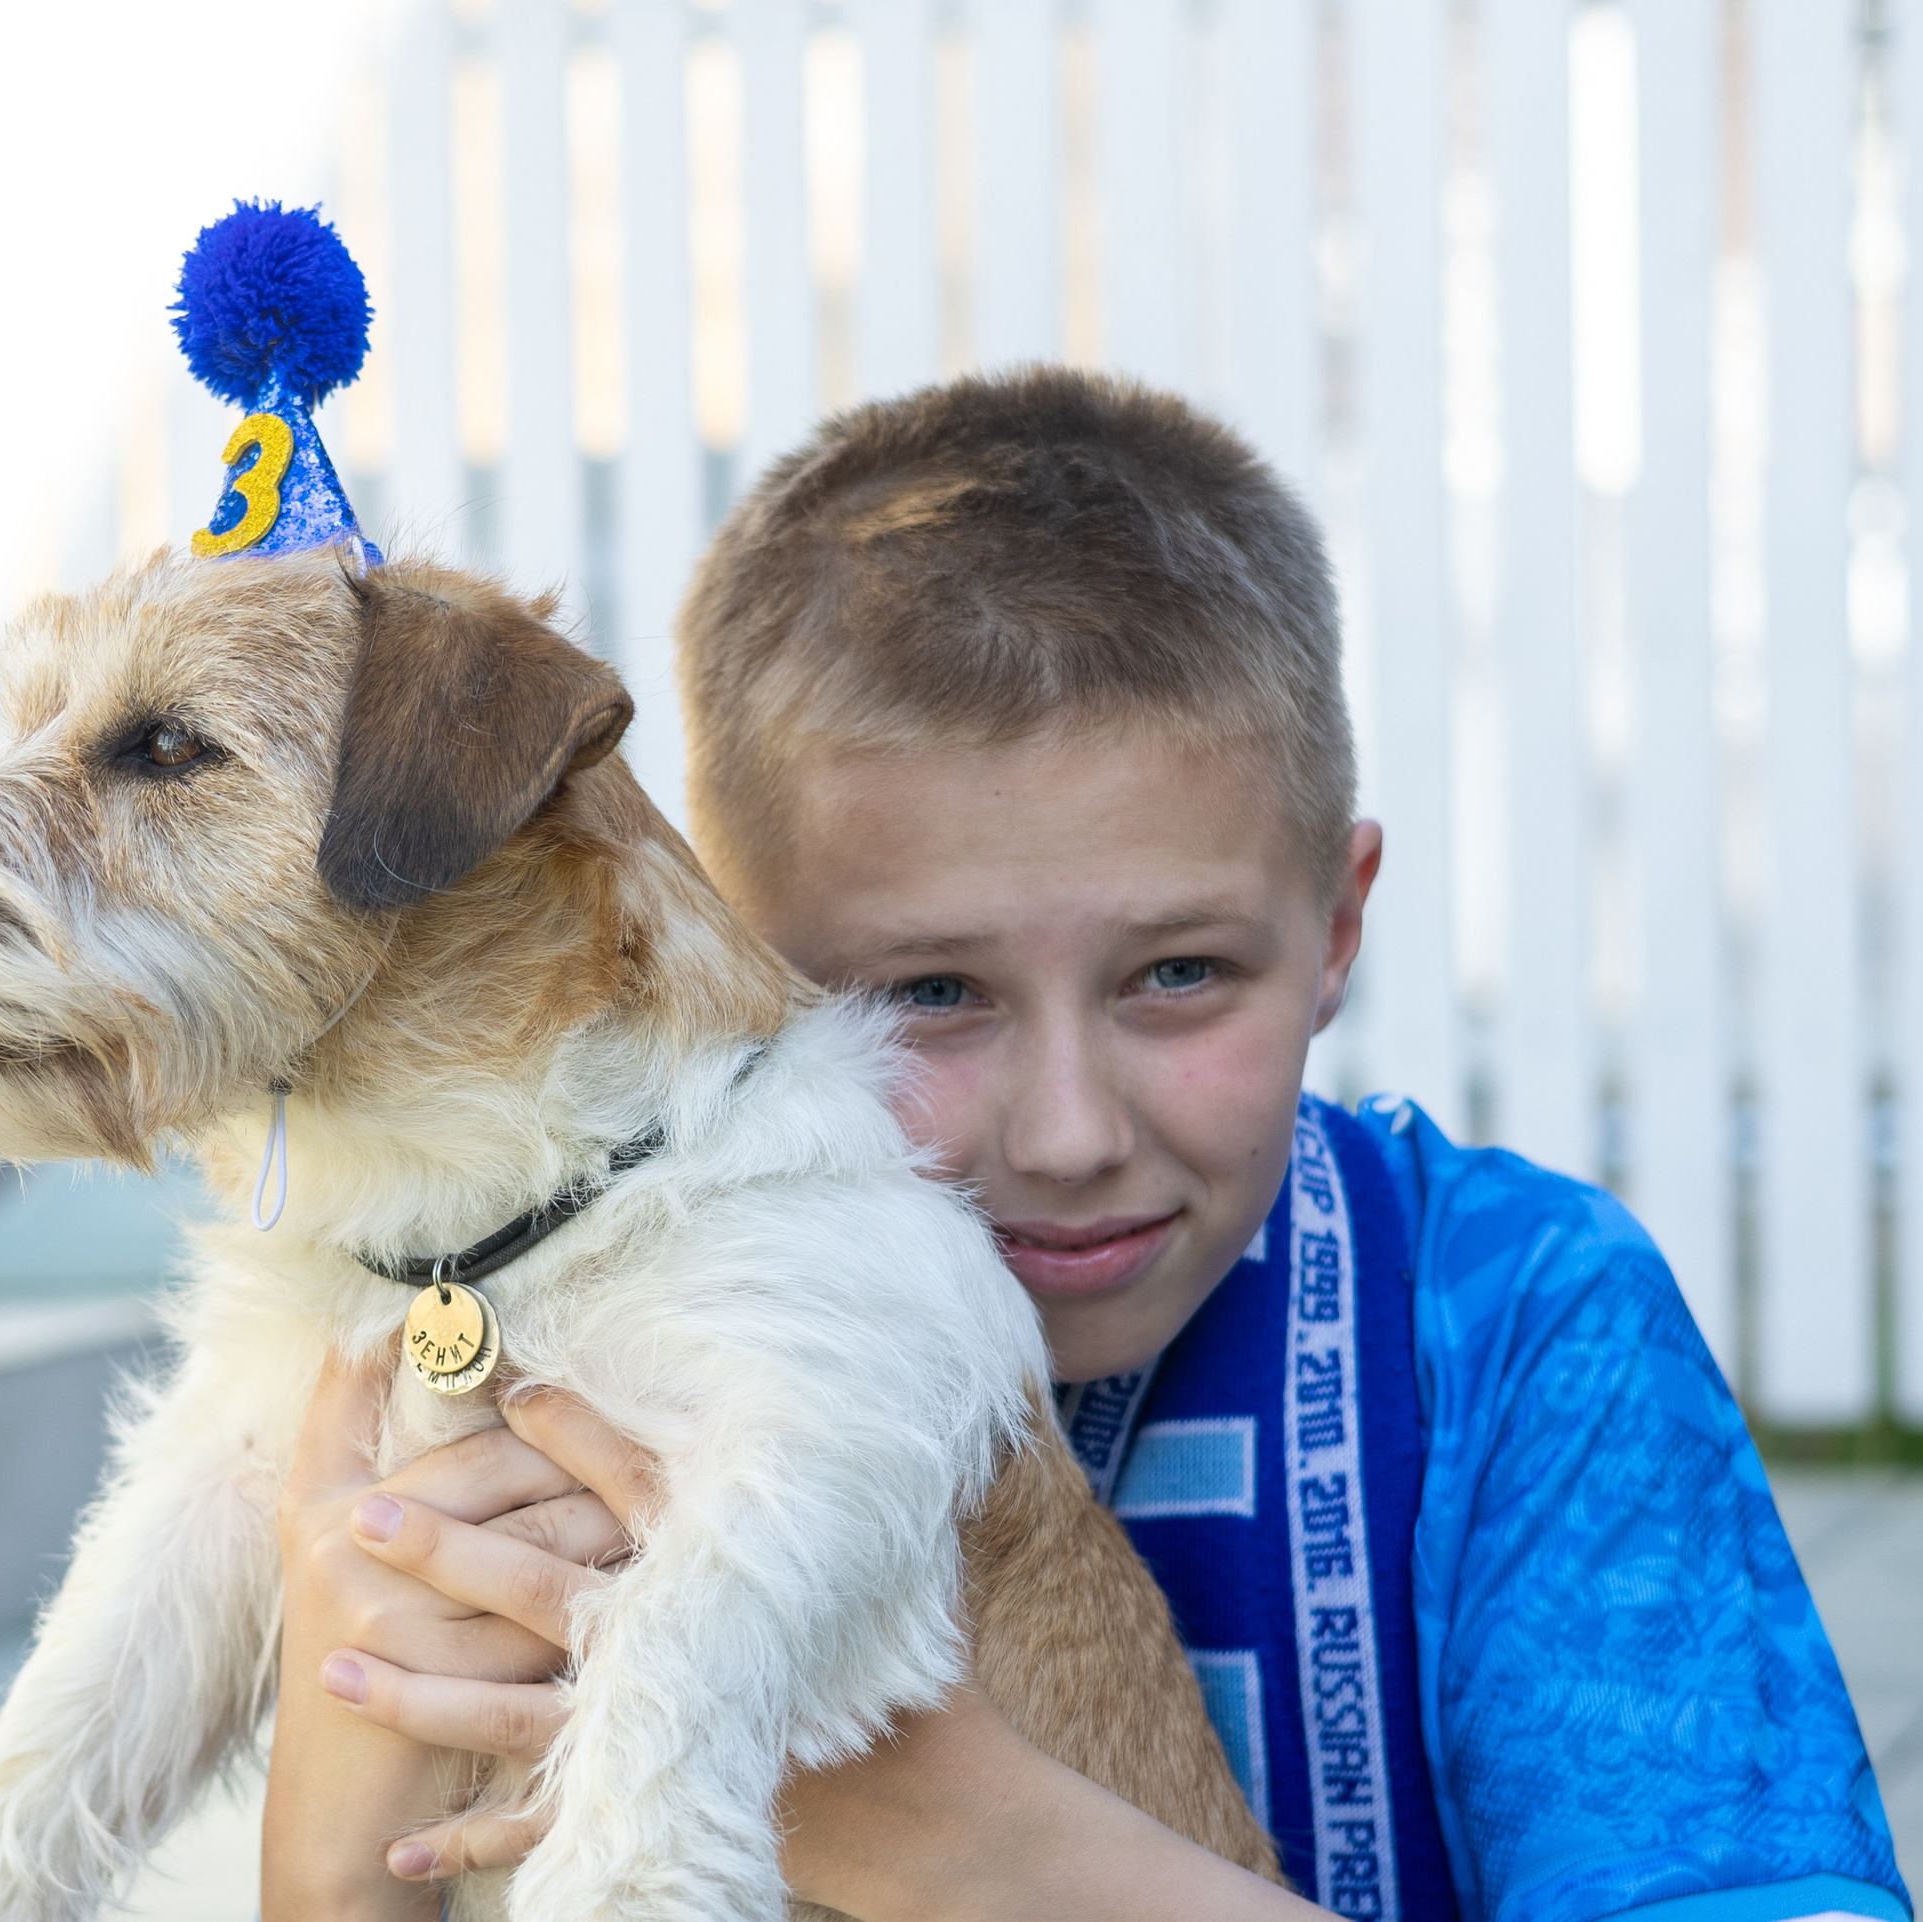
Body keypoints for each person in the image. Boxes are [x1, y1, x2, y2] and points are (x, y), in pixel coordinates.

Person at [256, 368, 1910, 1922]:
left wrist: (963, 1831)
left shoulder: (1513, 1323)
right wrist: (333, 1860)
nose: (1064, 1134)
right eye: (928, 994)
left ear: (1336, 926)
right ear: (728, 969)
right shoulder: (493, 1338)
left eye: (1180, 974)